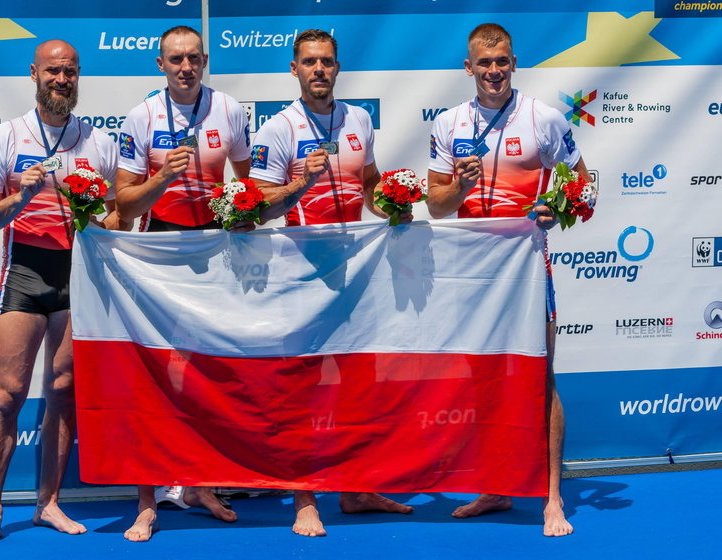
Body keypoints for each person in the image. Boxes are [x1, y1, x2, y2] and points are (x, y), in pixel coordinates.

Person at [426, 22, 590, 537]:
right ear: (468, 68)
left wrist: (554, 211)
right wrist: (460, 186)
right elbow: (435, 205)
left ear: (513, 63)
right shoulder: (448, 124)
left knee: (541, 380)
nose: (493, 72)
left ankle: (551, 497)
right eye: (483, 63)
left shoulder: (543, 117)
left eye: (501, 62)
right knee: (483, 383)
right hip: (471, 275)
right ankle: (495, 487)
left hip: (526, 270)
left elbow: (584, 184)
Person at [248, 28, 414, 537]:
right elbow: (254, 211)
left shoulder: (359, 119)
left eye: (327, 62)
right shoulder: (276, 130)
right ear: (294, 70)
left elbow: (369, 185)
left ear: (337, 67)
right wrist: (302, 183)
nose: (319, 70)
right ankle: (303, 498)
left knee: (360, 386)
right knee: (303, 391)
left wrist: (400, 202)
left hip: (359, 272)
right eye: (309, 62)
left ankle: (358, 487)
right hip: (301, 272)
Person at [0, 39, 124, 547]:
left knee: (63, 392)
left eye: (70, 72)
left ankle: (47, 503)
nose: (62, 80)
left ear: (79, 76)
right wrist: (21, 196)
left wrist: (97, 215)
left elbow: (118, 216)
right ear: (35, 73)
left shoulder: (98, 142)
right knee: (7, 395)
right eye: (53, 71)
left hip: (78, 280)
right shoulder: (7, 136)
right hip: (25, 275)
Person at [115, 25, 251, 541]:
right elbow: (124, 205)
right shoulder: (141, 116)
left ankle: (199, 483)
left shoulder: (230, 109)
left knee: (208, 372)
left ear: (206, 59)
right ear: (160, 64)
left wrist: (243, 213)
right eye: (176, 60)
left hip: (216, 252)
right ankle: (148, 501)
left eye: (194, 58)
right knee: (153, 375)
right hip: (159, 255)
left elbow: (249, 184)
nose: (186, 67)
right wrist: (163, 179)